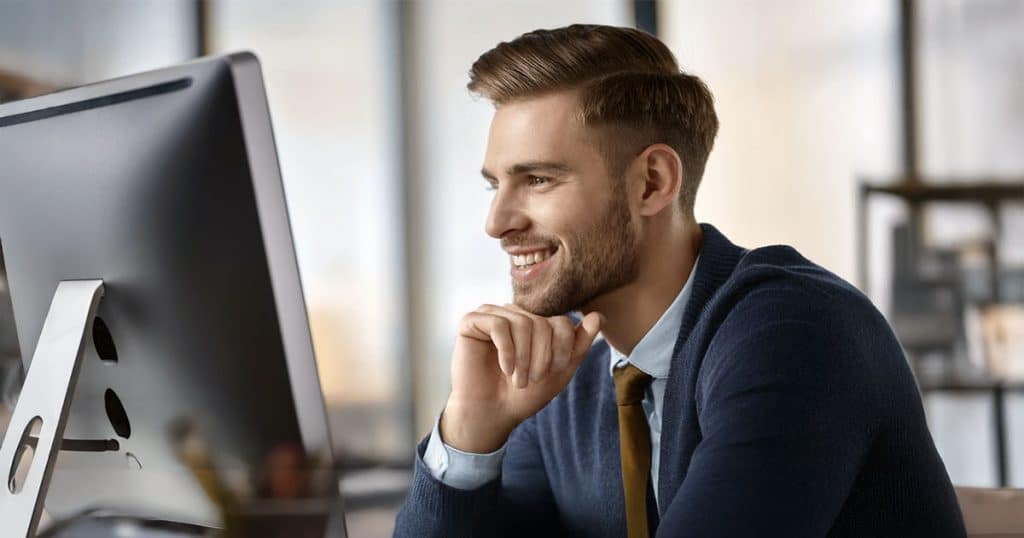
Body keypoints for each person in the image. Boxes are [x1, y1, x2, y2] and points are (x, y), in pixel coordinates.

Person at [394, 24, 966, 537]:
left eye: (538, 179)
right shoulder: (566, 362)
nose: (497, 223)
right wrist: (470, 430)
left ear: (652, 183)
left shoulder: (792, 329)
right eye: (495, 185)